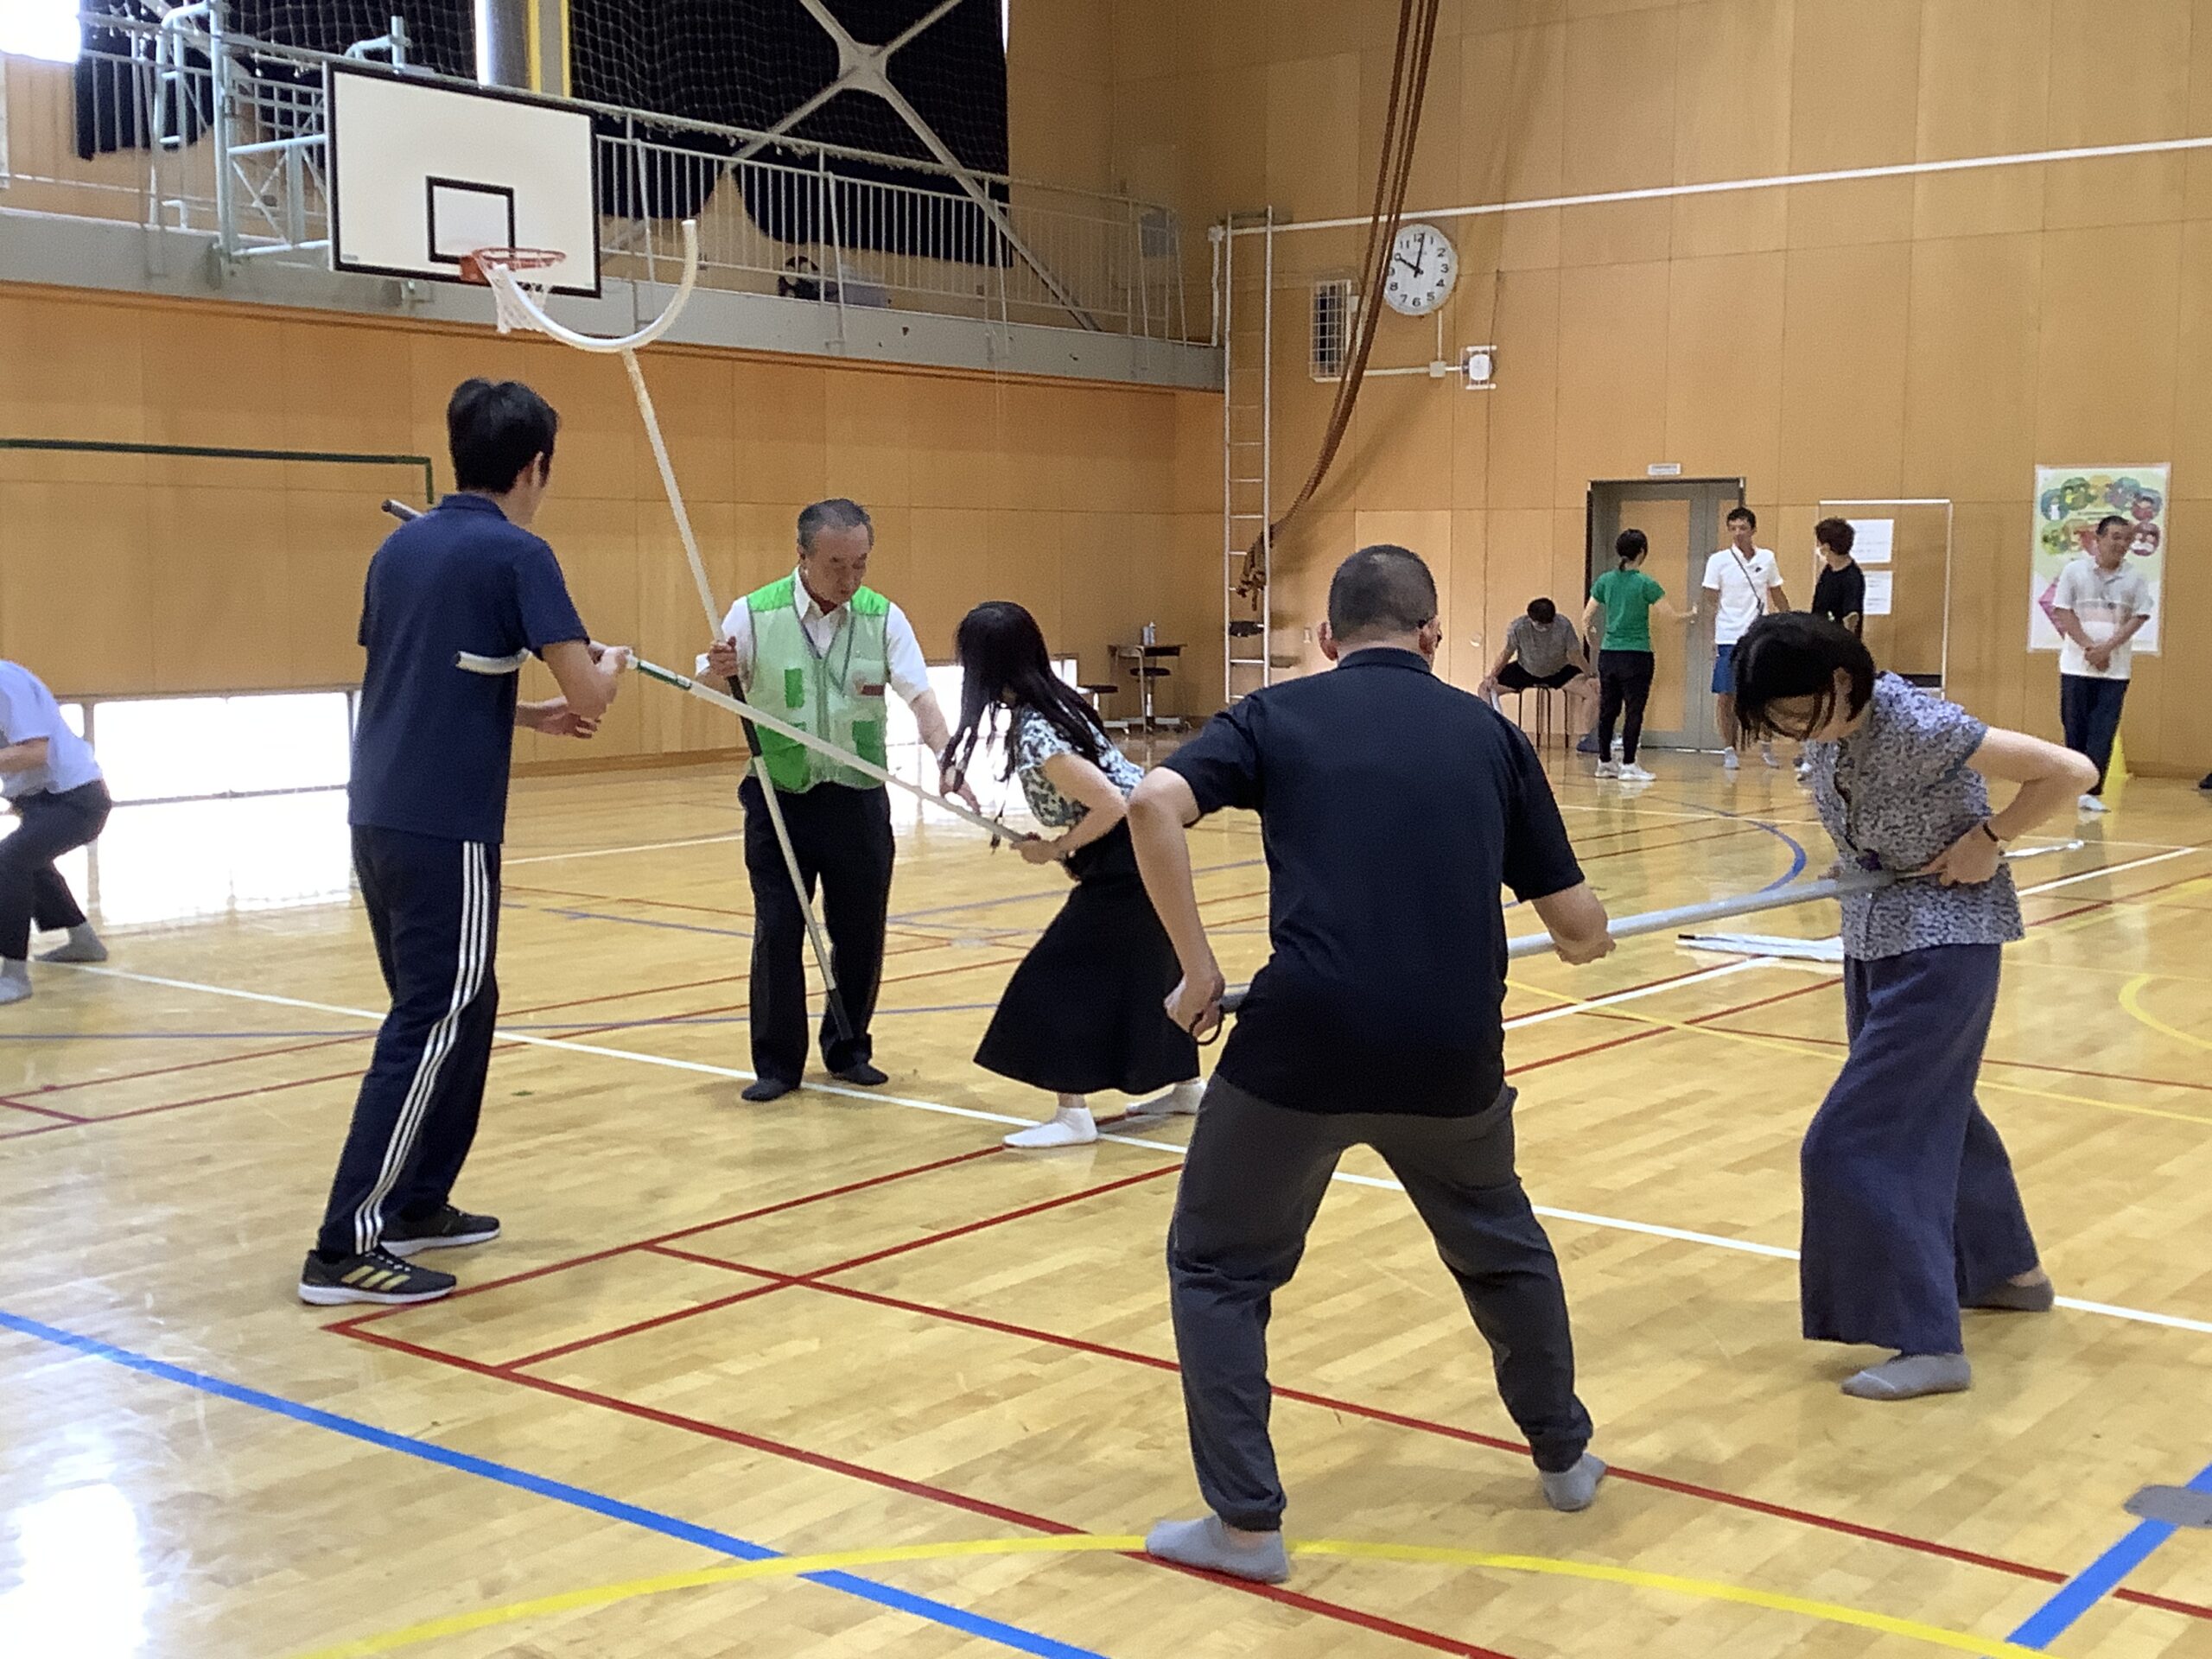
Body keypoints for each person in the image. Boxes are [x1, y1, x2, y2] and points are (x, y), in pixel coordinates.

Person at [1126, 543, 1617, 1585]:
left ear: (1327, 638)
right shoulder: (1489, 735)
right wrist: (1591, 936)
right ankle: (1565, 1459)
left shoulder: (1272, 716)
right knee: (1500, 1251)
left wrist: (1196, 968)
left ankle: (1246, 1527)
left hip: (1300, 1043)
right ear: (1432, 635)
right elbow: (1574, 926)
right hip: (1450, 1052)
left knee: (1218, 1269)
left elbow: (1150, 805)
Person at [302, 378, 630, 1307]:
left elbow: (428, 673)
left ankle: (417, 1200)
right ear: (537, 466)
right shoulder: (520, 553)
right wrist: (606, 669)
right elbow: (593, 693)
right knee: (432, 1015)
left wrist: (528, 714)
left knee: (463, 1003)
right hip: (445, 823)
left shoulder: (398, 549)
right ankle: (345, 1245)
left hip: (380, 812)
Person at [1732, 613, 2093, 1401]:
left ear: (1840, 681)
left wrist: (1990, 838)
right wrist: (1854, 863)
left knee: (1854, 1141)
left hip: (1944, 945)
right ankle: (2005, 1271)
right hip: (1876, 937)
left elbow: (2071, 770)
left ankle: (1928, 1340)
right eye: (1777, 719)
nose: (1792, 730)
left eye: (1796, 711)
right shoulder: (1833, 732)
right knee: (1940, 1112)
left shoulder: (1920, 725)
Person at [704, 499, 972, 1103]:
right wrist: (720, 666)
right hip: (780, 796)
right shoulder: (755, 612)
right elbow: (712, 671)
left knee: (859, 933)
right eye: (835, 565)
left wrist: (947, 759)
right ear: (801, 556)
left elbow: (921, 697)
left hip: (858, 800)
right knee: (779, 929)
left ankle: (849, 1050)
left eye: (860, 564)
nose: (849, 579)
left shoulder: (883, 617)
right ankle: (777, 1064)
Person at [945, 602, 1201, 1149]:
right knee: (1148, 972)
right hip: (1148, 847)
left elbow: (1110, 803)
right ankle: (1186, 1086)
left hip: (1127, 858)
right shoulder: (1057, 704)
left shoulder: (1039, 730)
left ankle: (1073, 1114)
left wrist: (1056, 849)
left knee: (1054, 978)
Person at [0, 660, 111, 1006]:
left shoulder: (4, 681)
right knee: (30, 860)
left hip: (76, 799)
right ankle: (84, 941)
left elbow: (36, 751)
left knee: (10, 861)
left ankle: (14, 976)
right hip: (40, 799)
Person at [2049, 513, 2153, 817]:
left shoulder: (2135, 577)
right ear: (2099, 539)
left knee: (2103, 731)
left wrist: (2106, 649)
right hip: (2075, 666)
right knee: (2074, 727)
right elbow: (2063, 611)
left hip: (2115, 670)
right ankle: (2072, 785)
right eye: (2115, 537)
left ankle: (2091, 792)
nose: (2121, 544)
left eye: (2127, 539)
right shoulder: (2074, 571)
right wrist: (2089, 648)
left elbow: (2139, 617)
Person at [1579, 530, 1694, 782]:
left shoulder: (1605, 581)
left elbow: (1586, 619)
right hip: (1637, 655)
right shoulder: (1646, 584)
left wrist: (1595, 642)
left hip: (1609, 654)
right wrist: (1692, 614)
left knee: (1608, 710)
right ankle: (1629, 764)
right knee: (1634, 710)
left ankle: (1604, 762)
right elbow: (1671, 617)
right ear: (1642, 552)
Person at [1703, 505, 1789, 770]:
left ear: (1753, 530)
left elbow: (1777, 593)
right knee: (1726, 694)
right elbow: (1709, 600)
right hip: (1729, 635)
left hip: (1759, 635)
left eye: (1743, 528)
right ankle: (1729, 748)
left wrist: (1789, 624)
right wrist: (1710, 636)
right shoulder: (1718, 561)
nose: (1738, 533)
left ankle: (1766, 744)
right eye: (1733, 528)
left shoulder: (1767, 558)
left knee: (1765, 693)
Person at [1478, 597, 1596, 745]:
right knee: (1485, 689)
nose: (1544, 628)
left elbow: (1575, 654)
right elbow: (1506, 653)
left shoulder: (1564, 625)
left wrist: (1591, 676)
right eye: (1539, 624)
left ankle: (1589, 737)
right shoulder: (1518, 627)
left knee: (1594, 692)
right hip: (1524, 670)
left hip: (1559, 671)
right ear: (1530, 618)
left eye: (1548, 624)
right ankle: (1497, 733)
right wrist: (1492, 676)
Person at [1809, 518, 1866, 635]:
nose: (1817, 546)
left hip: (1837, 641)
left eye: (1819, 543)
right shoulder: (1829, 569)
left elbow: (1852, 617)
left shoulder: (1852, 577)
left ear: (1826, 547)